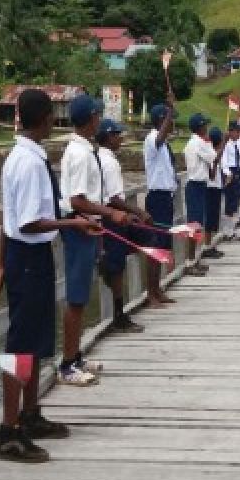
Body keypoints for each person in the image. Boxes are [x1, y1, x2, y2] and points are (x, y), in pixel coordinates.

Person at [0, 89, 103, 465]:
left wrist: (1, 261)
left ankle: (30, 414)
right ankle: (9, 429)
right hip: (31, 254)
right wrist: (74, 222)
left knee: (34, 338)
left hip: (25, 255)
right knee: (20, 342)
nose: (55, 120)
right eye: (52, 114)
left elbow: (9, 216)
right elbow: (28, 221)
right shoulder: (30, 163)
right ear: (46, 118)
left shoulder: (20, 156)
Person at [58, 93, 130, 386]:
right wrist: (110, 213)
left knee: (82, 296)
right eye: (97, 115)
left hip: (89, 228)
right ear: (91, 119)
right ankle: (66, 364)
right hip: (78, 230)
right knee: (75, 298)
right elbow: (76, 201)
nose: (100, 120)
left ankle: (75, 356)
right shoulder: (78, 154)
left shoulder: (87, 151)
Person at [95, 118, 149, 334]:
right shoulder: (109, 162)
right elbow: (114, 198)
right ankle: (119, 315)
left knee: (119, 260)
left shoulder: (99, 157)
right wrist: (137, 212)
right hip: (111, 217)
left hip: (109, 216)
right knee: (117, 265)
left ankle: (119, 306)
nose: (121, 138)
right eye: (118, 134)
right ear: (109, 137)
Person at [142, 104, 179, 306]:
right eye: (169, 119)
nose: (172, 123)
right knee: (154, 246)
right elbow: (159, 137)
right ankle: (151, 293)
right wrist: (170, 110)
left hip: (166, 197)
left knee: (163, 245)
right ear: (161, 120)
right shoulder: (152, 139)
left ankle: (158, 289)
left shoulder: (164, 145)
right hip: (157, 198)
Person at [184, 112, 217, 273]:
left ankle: (194, 259)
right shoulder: (199, 143)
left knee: (197, 225)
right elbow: (213, 157)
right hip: (196, 185)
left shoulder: (193, 142)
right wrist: (211, 142)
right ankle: (190, 262)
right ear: (200, 127)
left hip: (197, 185)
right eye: (205, 125)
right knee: (194, 225)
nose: (207, 128)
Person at [204, 126, 227, 255]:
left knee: (213, 219)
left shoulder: (213, 152)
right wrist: (223, 144)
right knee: (209, 219)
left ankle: (210, 245)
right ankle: (207, 246)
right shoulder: (210, 153)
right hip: (210, 187)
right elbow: (214, 161)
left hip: (216, 187)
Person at [221, 120, 240, 242]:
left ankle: (231, 230)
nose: (239, 134)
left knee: (234, 202)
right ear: (230, 132)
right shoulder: (226, 144)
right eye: (237, 131)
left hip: (236, 171)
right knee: (230, 203)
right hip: (230, 173)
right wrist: (229, 174)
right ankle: (227, 231)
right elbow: (223, 162)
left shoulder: (235, 144)